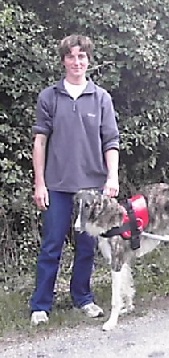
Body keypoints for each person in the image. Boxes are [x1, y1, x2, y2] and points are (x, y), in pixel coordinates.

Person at [30, 35, 120, 326]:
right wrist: (39, 183)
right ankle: (41, 305)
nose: (76, 62)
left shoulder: (102, 98)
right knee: (51, 246)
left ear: (88, 60)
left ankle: (82, 297)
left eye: (82, 57)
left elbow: (111, 142)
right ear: (63, 60)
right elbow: (40, 142)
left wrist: (112, 177)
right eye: (71, 57)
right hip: (56, 185)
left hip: (93, 189)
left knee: (86, 247)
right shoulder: (49, 97)